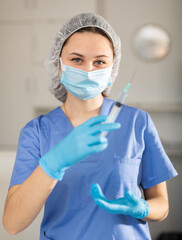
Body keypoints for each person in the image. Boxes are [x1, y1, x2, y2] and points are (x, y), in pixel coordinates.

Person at [2, 13, 177, 240]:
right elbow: (12, 224)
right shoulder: (37, 132)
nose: (88, 70)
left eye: (99, 62)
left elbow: (161, 205)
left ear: (112, 67)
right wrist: (54, 162)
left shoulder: (137, 122)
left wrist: (143, 208)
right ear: (59, 64)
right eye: (77, 60)